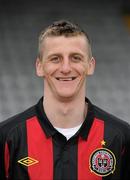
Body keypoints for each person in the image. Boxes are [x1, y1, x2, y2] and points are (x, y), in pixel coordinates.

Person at [0, 20, 130, 180]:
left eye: (76, 58)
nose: (66, 68)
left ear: (91, 65)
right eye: (55, 58)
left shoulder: (121, 137)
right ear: (39, 66)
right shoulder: (8, 137)